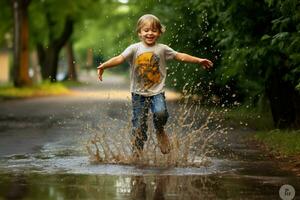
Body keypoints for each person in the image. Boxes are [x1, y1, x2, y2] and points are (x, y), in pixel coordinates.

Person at [97, 14, 213, 158]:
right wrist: (104, 66)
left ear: (159, 32)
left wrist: (198, 60)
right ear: (139, 32)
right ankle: (137, 152)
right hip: (138, 94)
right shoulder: (134, 49)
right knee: (139, 125)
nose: (150, 33)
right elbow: (119, 58)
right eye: (146, 30)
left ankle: (160, 130)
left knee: (160, 113)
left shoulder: (162, 49)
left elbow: (180, 56)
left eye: (154, 30)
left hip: (157, 92)